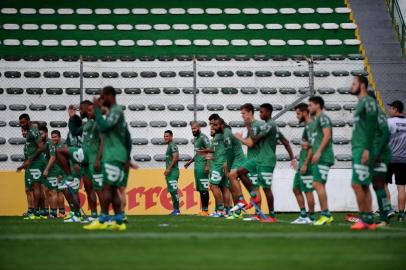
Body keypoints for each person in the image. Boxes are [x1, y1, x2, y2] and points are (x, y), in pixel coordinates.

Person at [84, 86, 128, 230]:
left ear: (110, 96)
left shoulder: (116, 111)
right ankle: (118, 221)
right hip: (113, 155)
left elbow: (103, 127)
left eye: (103, 97)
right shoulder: (113, 113)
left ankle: (102, 219)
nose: (102, 100)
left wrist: (96, 109)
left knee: (106, 188)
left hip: (114, 155)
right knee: (113, 189)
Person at [349, 76, 378, 230]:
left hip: (363, 148)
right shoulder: (362, 103)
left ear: (361, 85)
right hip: (359, 147)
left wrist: (367, 148)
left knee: (357, 184)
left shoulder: (368, 102)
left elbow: (373, 124)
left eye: (353, 83)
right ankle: (369, 220)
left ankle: (365, 219)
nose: (351, 86)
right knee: (364, 185)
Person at [307, 96, 335, 225]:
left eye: (310, 105)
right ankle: (326, 214)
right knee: (319, 185)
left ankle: (325, 214)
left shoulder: (323, 118)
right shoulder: (316, 121)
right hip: (320, 158)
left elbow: (327, 135)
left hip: (324, 157)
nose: (309, 108)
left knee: (317, 184)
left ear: (318, 105)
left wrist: (318, 152)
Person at [17, 114, 45, 219]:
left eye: (24, 122)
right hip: (32, 163)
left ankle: (35, 212)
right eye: (21, 123)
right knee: (30, 188)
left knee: (36, 186)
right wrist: (25, 164)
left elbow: (41, 147)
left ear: (28, 121)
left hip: (36, 163)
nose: (22, 125)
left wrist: (30, 160)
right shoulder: (29, 132)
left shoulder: (33, 131)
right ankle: (35, 211)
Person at [291, 103, 315, 224]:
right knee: (296, 188)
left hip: (308, 165)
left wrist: (305, 164)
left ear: (305, 113)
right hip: (302, 164)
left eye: (298, 113)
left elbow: (313, 147)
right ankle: (303, 215)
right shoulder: (307, 127)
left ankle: (311, 217)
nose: (297, 116)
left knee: (307, 190)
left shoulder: (311, 126)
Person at [184, 121, 211, 216]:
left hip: (203, 166)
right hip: (197, 167)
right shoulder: (196, 139)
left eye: (195, 128)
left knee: (204, 188)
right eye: (192, 129)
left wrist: (207, 165)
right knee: (200, 189)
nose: (193, 130)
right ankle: (203, 210)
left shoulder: (204, 138)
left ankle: (206, 210)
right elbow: (198, 153)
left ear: (199, 128)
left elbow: (210, 151)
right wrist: (190, 162)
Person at [386, 100, 406, 222]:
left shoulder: (389, 122)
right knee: (401, 187)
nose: (389, 110)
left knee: (383, 184)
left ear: (395, 109)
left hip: (389, 158)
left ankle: (389, 209)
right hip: (404, 159)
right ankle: (401, 215)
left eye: (391, 108)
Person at [42, 130, 65, 218]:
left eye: (55, 137)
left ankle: (53, 213)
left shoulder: (56, 145)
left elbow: (55, 158)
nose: (53, 138)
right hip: (60, 171)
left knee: (53, 192)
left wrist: (60, 173)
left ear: (59, 137)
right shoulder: (58, 145)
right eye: (52, 137)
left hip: (56, 171)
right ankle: (62, 213)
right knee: (59, 192)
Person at [163, 130, 181, 215]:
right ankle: (175, 209)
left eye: (167, 136)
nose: (165, 138)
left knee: (174, 191)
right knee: (172, 191)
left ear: (171, 137)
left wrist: (168, 169)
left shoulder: (173, 145)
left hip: (173, 172)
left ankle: (177, 210)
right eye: (164, 136)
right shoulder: (169, 146)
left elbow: (175, 157)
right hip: (171, 172)